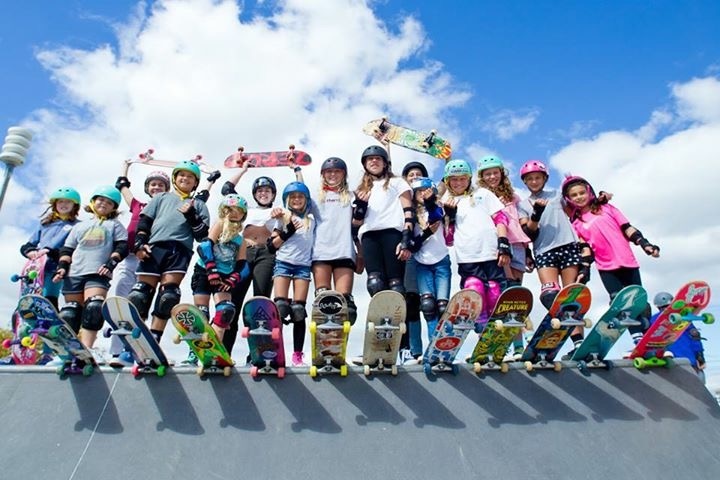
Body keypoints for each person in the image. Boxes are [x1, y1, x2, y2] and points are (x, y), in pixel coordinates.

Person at [561, 175, 659, 347]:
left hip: (627, 260)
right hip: (606, 266)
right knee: (618, 302)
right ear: (569, 199)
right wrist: (584, 271)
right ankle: (637, 339)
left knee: (639, 300)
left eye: (582, 192)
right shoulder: (576, 222)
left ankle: (647, 336)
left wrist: (645, 244)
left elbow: (627, 228)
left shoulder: (608, 208)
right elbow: (585, 249)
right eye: (574, 195)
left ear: (589, 191)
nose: (579, 197)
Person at [220, 162, 303, 356]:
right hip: (243, 255)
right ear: (254, 194)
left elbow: (300, 197)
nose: (263, 193)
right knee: (233, 303)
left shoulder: (280, 211)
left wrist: (296, 171)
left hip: (267, 255)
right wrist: (244, 169)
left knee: (262, 303)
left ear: (273, 194)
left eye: (267, 191)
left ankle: (260, 353)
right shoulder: (245, 209)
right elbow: (227, 190)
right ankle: (225, 352)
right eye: (260, 191)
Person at [127, 160, 210, 344]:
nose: (185, 179)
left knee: (168, 295)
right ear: (174, 178)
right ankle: (136, 339)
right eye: (182, 175)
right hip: (155, 247)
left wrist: (191, 215)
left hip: (180, 251)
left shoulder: (199, 205)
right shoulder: (161, 197)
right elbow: (144, 222)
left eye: (190, 177)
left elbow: (202, 235)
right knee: (140, 294)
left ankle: (154, 338)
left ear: (195, 183)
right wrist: (139, 244)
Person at [353, 145, 415, 363]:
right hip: (369, 236)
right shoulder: (361, 188)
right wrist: (360, 205)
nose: (374, 162)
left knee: (397, 287)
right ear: (364, 164)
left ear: (385, 162)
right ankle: (380, 346)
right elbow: (356, 223)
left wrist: (407, 238)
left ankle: (405, 349)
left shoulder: (398, 182)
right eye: (369, 159)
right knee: (375, 285)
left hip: (392, 234)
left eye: (378, 159)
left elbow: (409, 210)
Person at [517, 160, 584, 355]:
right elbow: (529, 233)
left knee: (571, 295)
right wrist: (536, 214)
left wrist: (598, 197)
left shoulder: (558, 196)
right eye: (530, 179)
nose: (534, 181)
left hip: (568, 246)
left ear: (545, 178)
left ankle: (578, 342)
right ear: (525, 182)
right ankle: (557, 334)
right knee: (550, 294)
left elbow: (579, 204)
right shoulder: (523, 204)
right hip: (544, 250)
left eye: (538, 177)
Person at [52, 186, 128, 358]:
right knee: (70, 312)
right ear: (93, 201)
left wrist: (111, 263)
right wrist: (62, 268)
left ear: (114, 208)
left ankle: (86, 349)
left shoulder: (114, 225)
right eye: (101, 200)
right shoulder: (80, 226)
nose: (104, 204)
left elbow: (122, 246)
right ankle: (68, 351)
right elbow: (67, 249)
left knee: (94, 306)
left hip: (98, 272)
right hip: (75, 272)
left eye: (109, 203)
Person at [111, 165, 170, 366]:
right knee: (121, 295)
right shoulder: (138, 204)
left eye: (161, 185)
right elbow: (122, 185)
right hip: (129, 256)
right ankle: (118, 350)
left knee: (143, 300)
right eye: (153, 184)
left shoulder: (167, 207)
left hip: (151, 257)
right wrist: (127, 165)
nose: (156, 187)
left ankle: (143, 347)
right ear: (147, 187)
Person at [441, 159, 511, 328]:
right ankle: (481, 330)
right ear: (447, 181)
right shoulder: (445, 201)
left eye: (462, 178)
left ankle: (495, 331)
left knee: (495, 291)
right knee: (475, 289)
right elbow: (448, 239)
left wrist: (503, 243)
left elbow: (500, 218)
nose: (458, 183)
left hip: (490, 252)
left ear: (469, 178)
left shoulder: (483, 194)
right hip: (467, 256)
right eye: (454, 179)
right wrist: (449, 217)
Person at [476, 155, 533, 358]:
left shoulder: (513, 196)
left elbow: (519, 223)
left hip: (516, 245)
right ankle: (498, 344)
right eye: (487, 174)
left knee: (515, 298)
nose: (492, 177)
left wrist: (528, 252)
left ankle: (518, 345)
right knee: (502, 294)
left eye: (495, 172)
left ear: (501, 173)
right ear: (482, 177)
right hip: (496, 246)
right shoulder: (479, 196)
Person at [192, 194, 250, 345]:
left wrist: (233, 278)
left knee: (225, 312)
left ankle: (215, 346)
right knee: (201, 313)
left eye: (239, 210)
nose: (235, 212)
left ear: (243, 214)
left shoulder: (241, 240)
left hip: (224, 277)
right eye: (231, 209)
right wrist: (211, 269)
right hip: (204, 272)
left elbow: (242, 264)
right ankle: (195, 351)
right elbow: (204, 246)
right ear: (224, 210)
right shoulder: (219, 225)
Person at [269, 181, 315, 366]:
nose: (296, 200)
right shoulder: (281, 219)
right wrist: (287, 231)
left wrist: (297, 169)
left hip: (303, 266)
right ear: (287, 200)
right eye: (293, 197)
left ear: (306, 200)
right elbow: (271, 246)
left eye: (300, 196)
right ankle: (275, 350)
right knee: (280, 308)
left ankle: (297, 354)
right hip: (283, 264)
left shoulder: (312, 220)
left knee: (298, 311)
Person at [406, 175, 450, 360]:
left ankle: (443, 347)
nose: (422, 194)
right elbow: (412, 244)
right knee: (428, 306)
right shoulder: (412, 215)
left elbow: (435, 216)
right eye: (418, 192)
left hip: (441, 262)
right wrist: (425, 233)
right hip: (421, 263)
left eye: (425, 191)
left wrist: (431, 200)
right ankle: (432, 349)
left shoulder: (438, 207)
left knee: (442, 306)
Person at [311, 157, 359, 324]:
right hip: (321, 251)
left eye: (337, 171)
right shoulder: (316, 197)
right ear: (323, 174)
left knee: (345, 305)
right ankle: (322, 338)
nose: (332, 174)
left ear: (343, 174)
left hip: (344, 251)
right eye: (329, 171)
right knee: (324, 300)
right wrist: (296, 170)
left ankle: (339, 344)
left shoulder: (353, 196)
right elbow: (297, 203)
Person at [19, 187, 82, 310]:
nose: (64, 204)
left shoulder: (77, 226)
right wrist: (30, 251)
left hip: (57, 267)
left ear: (74, 205)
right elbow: (30, 243)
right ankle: (30, 323)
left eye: (68, 202)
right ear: (55, 204)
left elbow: (75, 249)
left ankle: (51, 322)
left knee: (49, 296)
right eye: (60, 201)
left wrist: (51, 252)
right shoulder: (45, 223)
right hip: (38, 267)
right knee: (33, 296)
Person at [400, 161, 435, 363]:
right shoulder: (402, 199)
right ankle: (414, 351)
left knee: (430, 304)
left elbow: (446, 186)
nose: (414, 177)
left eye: (419, 174)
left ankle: (433, 348)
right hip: (408, 257)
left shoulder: (430, 201)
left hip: (429, 258)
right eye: (411, 174)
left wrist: (446, 159)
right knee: (410, 302)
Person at [652, 291, 707, 382]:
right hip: (688, 362)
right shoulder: (682, 317)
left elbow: (648, 342)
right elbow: (695, 336)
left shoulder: (654, 320)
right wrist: (700, 356)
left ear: (658, 306)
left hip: (670, 364)